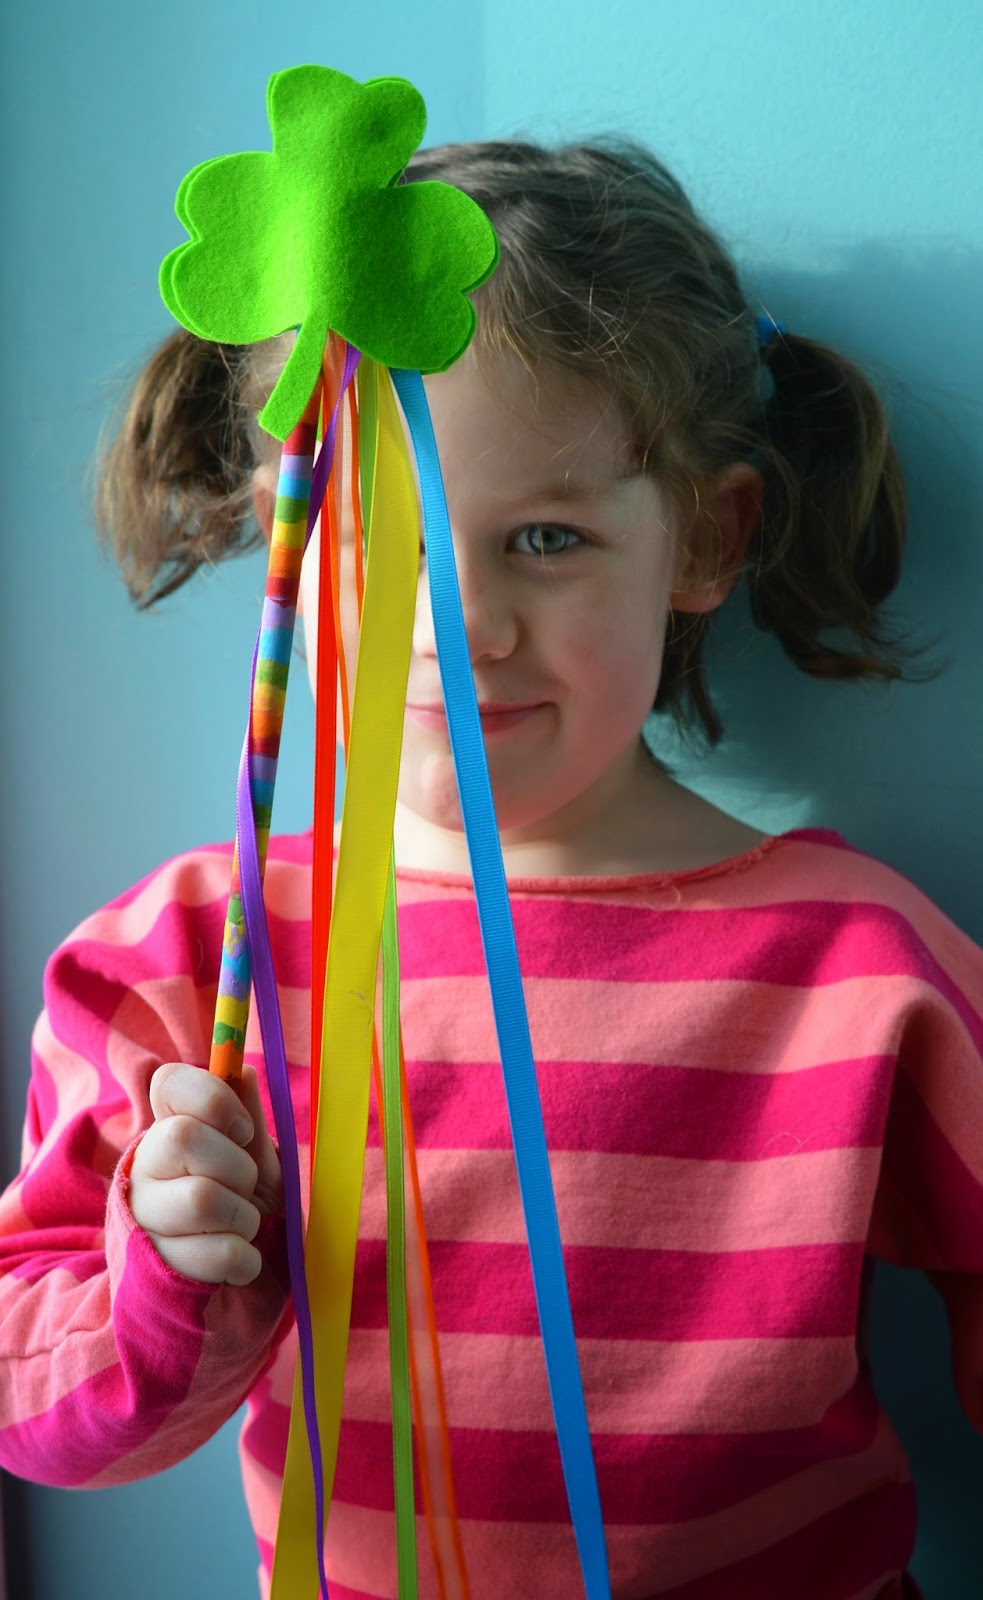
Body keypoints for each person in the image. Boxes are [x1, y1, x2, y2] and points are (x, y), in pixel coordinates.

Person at [1, 135, 981, 1600]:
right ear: (284, 532)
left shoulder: (861, 969)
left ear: (709, 537)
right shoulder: (191, 962)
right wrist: (165, 1286)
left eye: (547, 535)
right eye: (378, 530)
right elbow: (43, 1416)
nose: (460, 627)